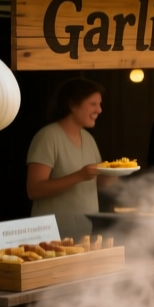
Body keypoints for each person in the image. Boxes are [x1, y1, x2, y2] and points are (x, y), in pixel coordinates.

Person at [27, 78, 105, 239]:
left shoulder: (88, 138)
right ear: (72, 105)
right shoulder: (48, 136)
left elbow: (97, 181)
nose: (99, 110)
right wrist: (79, 176)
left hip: (85, 229)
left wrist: (112, 177)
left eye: (99, 104)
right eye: (93, 104)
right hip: (52, 234)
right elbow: (34, 189)